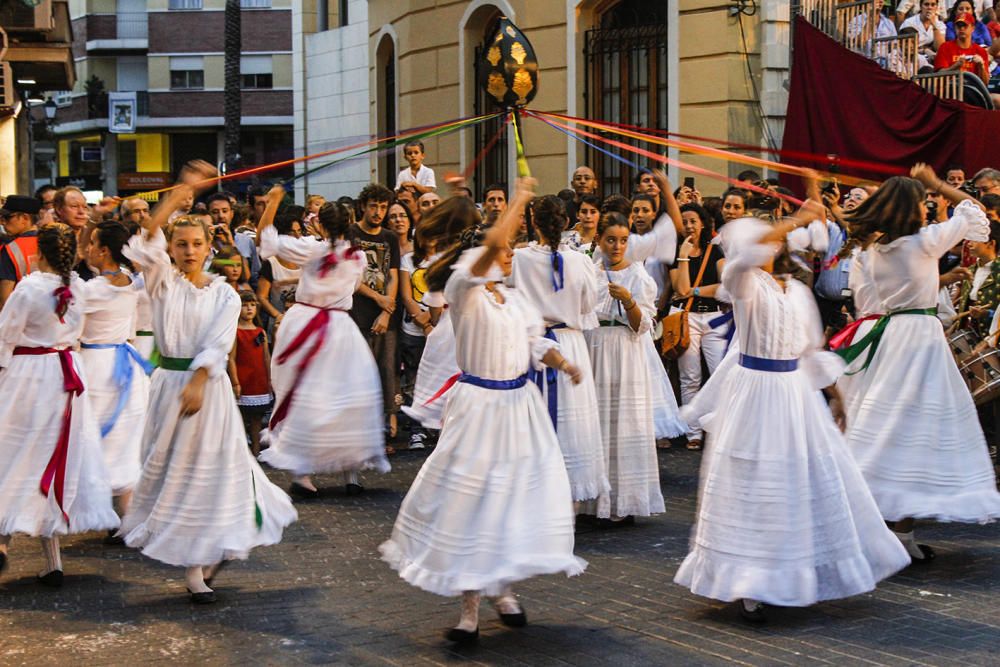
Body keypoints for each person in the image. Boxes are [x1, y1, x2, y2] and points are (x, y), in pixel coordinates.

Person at [674, 201, 911, 623]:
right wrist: (798, 219)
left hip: (793, 393)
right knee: (756, 477)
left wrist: (835, 394)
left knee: (798, 479)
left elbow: (809, 351)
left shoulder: (797, 291)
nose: (773, 243)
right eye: (763, 238)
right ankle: (749, 581)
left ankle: (793, 572)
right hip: (756, 393)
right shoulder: (742, 281)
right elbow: (746, 256)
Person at [380, 178, 586, 643]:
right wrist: (520, 200)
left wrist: (562, 361)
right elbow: (493, 242)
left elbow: (535, 344)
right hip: (479, 405)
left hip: (519, 407)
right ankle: (469, 608)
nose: (509, 253)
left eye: (511, 248)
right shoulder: (464, 289)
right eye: (504, 249)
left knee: (511, 497)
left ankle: (504, 591)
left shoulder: (513, 299)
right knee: (472, 499)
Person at [119, 161, 297, 605]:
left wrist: (200, 379)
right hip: (168, 387)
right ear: (173, 250)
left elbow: (218, 343)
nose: (189, 250)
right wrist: (174, 198)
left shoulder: (222, 293)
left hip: (208, 391)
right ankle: (197, 558)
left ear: (208, 248)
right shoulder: (162, 284)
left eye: (197, 243)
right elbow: (144, 242)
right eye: (181, 244)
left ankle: (200, 565)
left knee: (210, 471)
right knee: (173, 473)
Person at [838, 166, 1000, 562]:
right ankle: (899, 531)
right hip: (919, 340)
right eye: (923, 203)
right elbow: (976, 214)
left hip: (891, 337)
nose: (929, 208)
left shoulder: (874, 251)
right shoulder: (923, 242)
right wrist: (937, 183)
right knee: (922, 429)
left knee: (892, 427)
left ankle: (890, 529)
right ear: (910, 208)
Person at [0, 223, 120, 587]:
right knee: (55, 457)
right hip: (66, 377)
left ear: (40, 253)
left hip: (28, 375)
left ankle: (3, 546)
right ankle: (53, 562)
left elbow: (5, 334)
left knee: (15, 455)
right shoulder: (79, 288)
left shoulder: (30, 287)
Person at [258, 186, 389, 497]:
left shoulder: (312, 249)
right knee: (347, 395)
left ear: (320, 224)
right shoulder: (356, 256)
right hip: (340, 329)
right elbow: (350, 283)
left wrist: (274, 200)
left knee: (308, 396)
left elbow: (266, 239)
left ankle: (302, 474)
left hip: (306, 323)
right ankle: (351, 472)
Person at [510, 195, 610, 515]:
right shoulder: (580, 261)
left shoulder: (518, 259)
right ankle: (570, 502)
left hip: (534, 344)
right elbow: (587, 305)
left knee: (535, 419)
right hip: (570, 341)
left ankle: (536, 499)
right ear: (566, 222)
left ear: (533, 222)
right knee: (573, 422)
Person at [586, 212, 665, 523]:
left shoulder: (639, 277)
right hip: (594, 348)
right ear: (599, 240)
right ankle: (593, 500)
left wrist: (630, 301)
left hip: (625, 351)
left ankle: (625, 500)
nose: (617, 246)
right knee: (596, 421)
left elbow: (643, 326)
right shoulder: (588, 273)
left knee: (625, 422)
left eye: (623, 240)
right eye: (611, 240)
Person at [79, 220, 152, 535]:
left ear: (104, 250)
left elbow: (72, 328)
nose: (89, 250)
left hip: (97, 365)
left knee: (93, 437)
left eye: (93, 243)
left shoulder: (93, 290)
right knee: (124, 441)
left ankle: (99, 509)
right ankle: (127, 515)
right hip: (129, 367)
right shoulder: (134, 284)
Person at [669, 203, 727, 451]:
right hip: (688, 318)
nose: (689, 226)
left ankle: (718, 428)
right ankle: (694, 432)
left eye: (693, 221)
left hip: (714, 317)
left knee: (719, 374)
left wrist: (694, 290)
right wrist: (683, 255)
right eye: (685, 222)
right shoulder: (676, 252)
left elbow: (723, 287)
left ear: (703, 223)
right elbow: (679, 288)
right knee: (689, 376)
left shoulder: (715, 251)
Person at [348, 184, 401, 444]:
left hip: (385, 316)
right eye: (373, 206)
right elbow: (347, 277)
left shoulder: (390, 237)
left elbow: (393, 275)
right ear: (363, 206)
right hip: (356, 314)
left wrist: (387, 312)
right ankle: (361, 426)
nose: (378, 212)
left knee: (387, 369)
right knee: (359, 372)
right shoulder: (351, 233)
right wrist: (377, 298)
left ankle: (389, 423)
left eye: (383, 207)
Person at [397, 206, 434, 449]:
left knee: (436, 377)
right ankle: (416, 429)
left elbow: (447, 292)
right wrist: (419, 317)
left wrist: (431, 320)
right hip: (412, 328)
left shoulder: (445, 258)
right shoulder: (407, 259)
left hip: (438, 329)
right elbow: (406, 294)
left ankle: (436, 425)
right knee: (413, 379)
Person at [231, 290, 272, 457]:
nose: (249, 309)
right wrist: (235, 382)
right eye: (245, 305)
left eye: (252, 305)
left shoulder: (260, 332)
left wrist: (269, 379)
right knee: (240, 417)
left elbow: (266, 358)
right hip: (243, 380)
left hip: (259, 381)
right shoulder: (235, 332)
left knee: (256, 419)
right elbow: (231, 358)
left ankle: (255, 451)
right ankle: (241, 453)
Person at [256, 213, 303, 335]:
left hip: (303, 323)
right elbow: (262, 296)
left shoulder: (306, 260)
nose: (297, 236)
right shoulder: (271, 263)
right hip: (280, 326)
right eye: (292, 232)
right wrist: (278, 315)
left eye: (299, 231)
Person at [0, 195, 41, 309]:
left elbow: (5, 301)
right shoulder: (53, 241)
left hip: (21, 318)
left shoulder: (10, 249)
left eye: (7, 217)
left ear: (25, 218)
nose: (2, 223)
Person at [934, 11, 991, 84]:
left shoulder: (980, 51)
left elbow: (985, 83)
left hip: (973, 91)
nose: (962, 28)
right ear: (955, 28)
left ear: (972, 28)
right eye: (959, 26)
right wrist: (955, 66)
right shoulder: (945, 47)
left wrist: (981, 66)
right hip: (950, 89)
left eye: (965, 25)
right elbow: (939, 76)